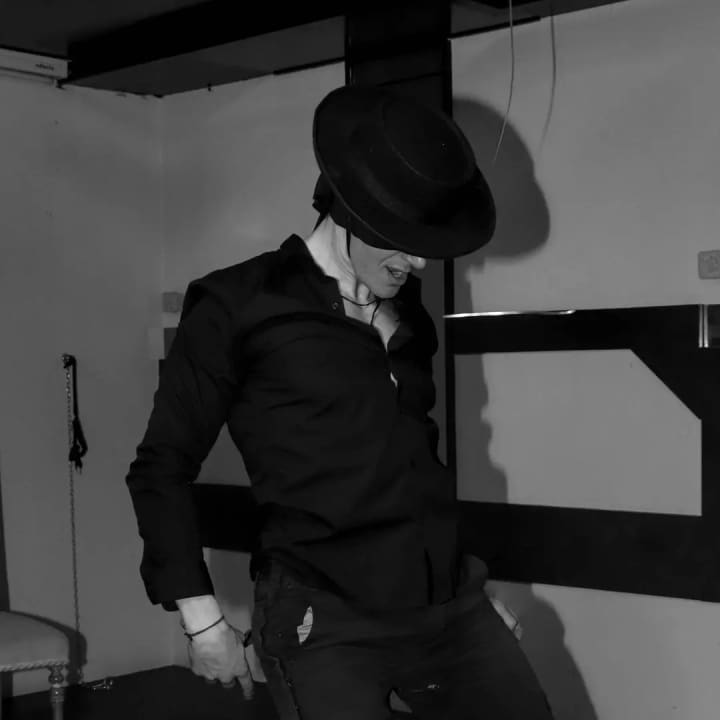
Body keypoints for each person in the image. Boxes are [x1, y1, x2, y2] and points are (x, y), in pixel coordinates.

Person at [126, 84, 553, 719]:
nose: (417, 262)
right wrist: (202, 620)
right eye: (401, 240)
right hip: (320, 615)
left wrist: (463, 582)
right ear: (349, 209)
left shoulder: (410, 318)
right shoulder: (238, 305)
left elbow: (415, 466)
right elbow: (160, 467)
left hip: (444, 609)